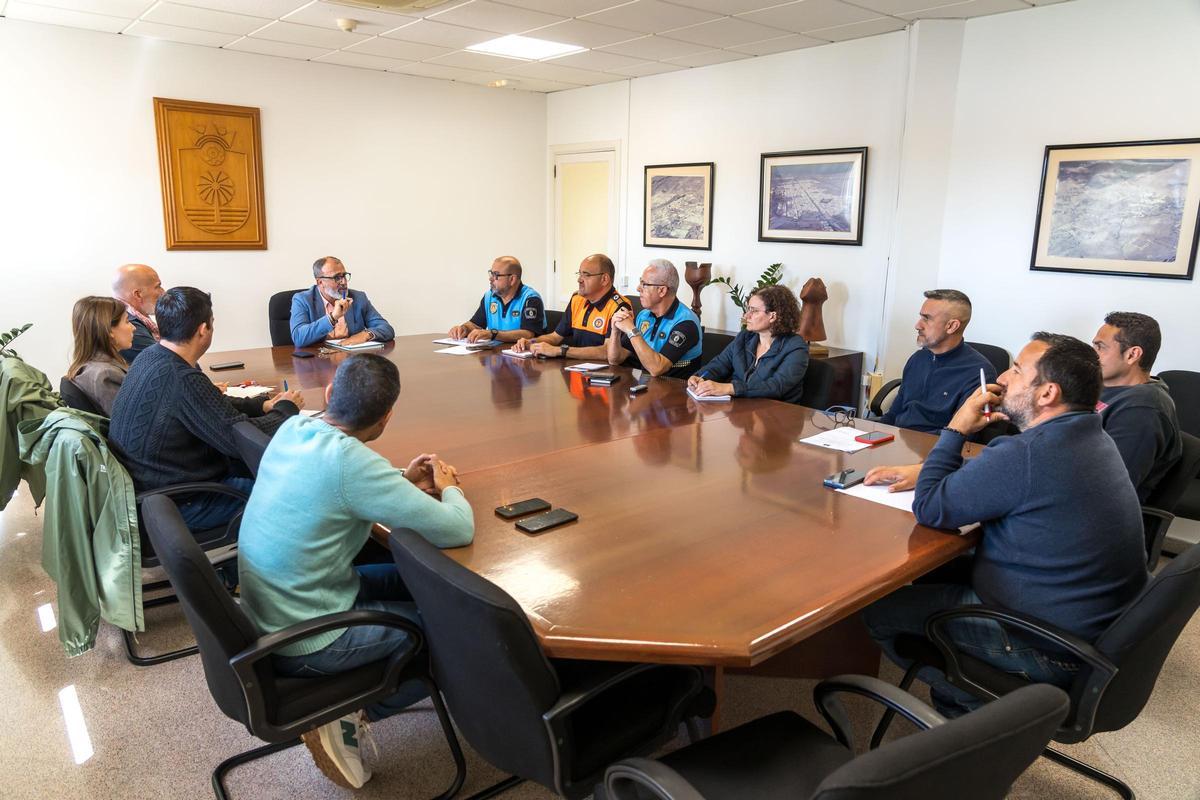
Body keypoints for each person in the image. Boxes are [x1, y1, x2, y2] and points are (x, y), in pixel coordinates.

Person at [862, 333, 1148, 717]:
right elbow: (1019, 477)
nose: (1001, 378)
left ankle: (980, 713)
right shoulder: (1089, 434)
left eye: (1016, 370)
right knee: (936, 572)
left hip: (1044, 644)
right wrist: (931, 468)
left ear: (1047, 393)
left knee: (877, 611)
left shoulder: (1026, 454)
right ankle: (969, 692)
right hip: (1091, 628)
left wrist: (957, 427)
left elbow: (930, 508)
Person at [237, 354, 473, 789]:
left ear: (329, 395)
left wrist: (400, 479)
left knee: (414, 580)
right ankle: (353, 710)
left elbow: (341, 486)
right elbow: (457, 528)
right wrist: (449, 487)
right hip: (309, 635)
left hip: (280, 604)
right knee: (458, 633)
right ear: (385, 419)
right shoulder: (352, 464)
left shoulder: (293, 428)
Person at [109, 287, 304, 531]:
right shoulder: (182, 377)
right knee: (299, 490)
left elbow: (208, 404)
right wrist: (286, 410)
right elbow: (241, 439)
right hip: (184, 500)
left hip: (154, 488)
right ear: (203, 329)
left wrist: (261, 405)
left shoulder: (150, 357)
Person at [877, 289, 997, 433]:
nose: (917, 325)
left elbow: (960, 432)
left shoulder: (978, 372)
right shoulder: (918, 359)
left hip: (934, 448)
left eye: (926, 318)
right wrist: (870, 434)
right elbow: (893, 415)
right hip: (899, 440)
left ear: (952, 326)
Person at [1093, 311, 1182, 502]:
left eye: (1100, 347)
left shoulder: (1143, 409)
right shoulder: (1102, 387)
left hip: (1094, 516)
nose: (1093, 354)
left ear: (1132, 354)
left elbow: (1107, 488)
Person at [688, 285, 809, 402]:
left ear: (772, 316)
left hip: (777, 414)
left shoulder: (795, 347)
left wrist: (730, 388)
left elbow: (776, 386)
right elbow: (719, 365)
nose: (747, 316)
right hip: (741, 411)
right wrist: (700, 377)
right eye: (748, 309)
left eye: (754, 311)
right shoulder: (744, 337)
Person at [511, 254, 630, 361]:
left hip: (605, 375)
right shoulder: (577, 299)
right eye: (579, 273)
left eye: (586, 275)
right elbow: (555, 337)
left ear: (604, 279)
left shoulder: (619, 307)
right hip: (576, 370)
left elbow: (607, 352)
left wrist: (560, 351)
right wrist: (530, 342)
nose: (579, 279)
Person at [608, 259, 702, 378]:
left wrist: (631, 330)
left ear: (662, 290)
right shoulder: (644, 315)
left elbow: (657, 368)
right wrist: (615, 331)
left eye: (644, 284)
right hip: (646, 388)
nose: (638, 288)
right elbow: (615, 360)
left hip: (676, 392)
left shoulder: (686, 323)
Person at [290, 256, 395, 348]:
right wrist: (333, 317)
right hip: (317, 362)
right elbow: (299, 338)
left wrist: (365, 335)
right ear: (320, 282)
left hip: (351, 360)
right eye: (337, 277)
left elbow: (386, 329)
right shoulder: (302, 300)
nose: (344, 282)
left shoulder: (358, 298)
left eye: (344, 275)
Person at [447, 256, 547, 343]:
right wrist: (463, 328)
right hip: (496, 357)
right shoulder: (489, 297)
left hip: (524, 358)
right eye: (491, 273)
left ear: (512, 279)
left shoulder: (530, 299)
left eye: (496, 275)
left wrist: (493, 334)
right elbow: (475, 324)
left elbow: (528, 334)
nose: (490, 279)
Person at [65, 296, 134, 415]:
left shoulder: (88, 368)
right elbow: (131, 423)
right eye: (127, 321)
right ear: (109, 331)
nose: (134, 328)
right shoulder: (106, 374)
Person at [111, 263, 164, 363]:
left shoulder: (128, 318)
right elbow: (164, 364)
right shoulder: (130, 325)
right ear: (138, 294)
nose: (163, 292)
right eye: (158, 287)